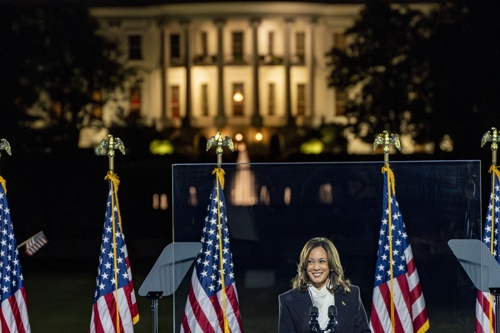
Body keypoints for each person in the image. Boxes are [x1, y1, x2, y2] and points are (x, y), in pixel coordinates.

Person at [278, 237, 371, 333]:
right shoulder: (288, 300)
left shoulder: (351, 295)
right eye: (311, 262)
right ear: (305, 266)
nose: (316, 267)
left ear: (331, 264)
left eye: (322, 261)